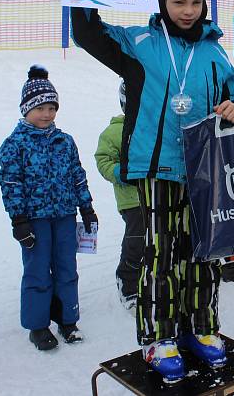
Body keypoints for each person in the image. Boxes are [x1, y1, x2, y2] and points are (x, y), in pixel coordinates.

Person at [68, 0, 234, 384]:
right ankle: (160, 337)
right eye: (178, 2)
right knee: (161, 254)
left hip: (205, 171)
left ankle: (201, 328)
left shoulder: (217, 54)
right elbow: (89, 34)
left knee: (205, 253)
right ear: (163, 3)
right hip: (157, 168)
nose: (188, 10)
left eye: (196, 2)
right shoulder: (140, 44)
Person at [0, 65, 97, 352]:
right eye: (40, 107)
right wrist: (19, 220)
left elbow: (77, 174)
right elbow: (11, 184)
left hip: (65, 215)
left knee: (67, 268)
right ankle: (38, 325)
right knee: (38, 271)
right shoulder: (14, 145)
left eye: (52, 107)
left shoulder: (64, 141)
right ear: (26, 109)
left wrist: (87, 207)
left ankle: (68, 319)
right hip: (35, 220)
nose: (47, 114)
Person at [94, 80, 143, 309]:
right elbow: (103, 159)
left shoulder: (156, 128)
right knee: (137, 241)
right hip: (132, 199)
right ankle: (128, 283)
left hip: (159, 194)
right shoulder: (114, 131)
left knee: (163, 238)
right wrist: (120, 172)